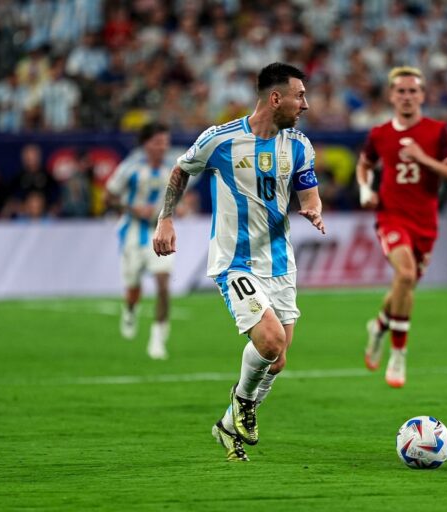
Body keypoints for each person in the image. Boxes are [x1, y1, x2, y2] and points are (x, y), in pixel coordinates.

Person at [152, 63, 325, 462]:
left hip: (280, 263)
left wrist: (313, 211)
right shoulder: (221, 139)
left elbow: (309, 192)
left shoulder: (299, 146)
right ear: (275, 97)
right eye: (300, 96)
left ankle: (228, 424)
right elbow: (181, 170)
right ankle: (242, 404)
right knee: (270, 340)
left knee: (277, 361)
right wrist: (165, 218)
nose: (306, 105)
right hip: (236, 262)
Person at [356, 66, 447, 388]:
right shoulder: (379, 133)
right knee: (404, 275)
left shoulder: (437, 132)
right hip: (391, 216)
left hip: (426, 223)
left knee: (404, 287)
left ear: (422, 95)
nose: (406, 96)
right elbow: (364, 164)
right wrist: (366, 189)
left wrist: (424, 159)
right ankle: (399, 355)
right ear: (391, 96)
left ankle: (379, 325)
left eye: (412, 91)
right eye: (400, 91)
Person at [106, 122, 177, 360]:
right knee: (134, 287)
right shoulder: (130, 168)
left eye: (165, 143)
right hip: (133, 233)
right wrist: (133, 209)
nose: (162, 147)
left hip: (160, 232)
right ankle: (130, 308)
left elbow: (181, 193)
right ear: (146, 144)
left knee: (163, 283)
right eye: (158, 142)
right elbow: (109, 197)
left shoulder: (173, 168)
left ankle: (157, 340)